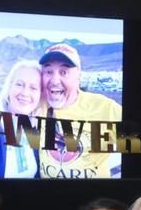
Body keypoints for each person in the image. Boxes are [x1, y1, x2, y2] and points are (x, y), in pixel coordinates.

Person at [36, 43, 123, 180]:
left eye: (64, 72)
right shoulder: (37, 106)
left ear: (78, 77)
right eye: (48, 72)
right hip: (49, 196)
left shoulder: (105, 108)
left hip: (94, 198)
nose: (54, 80)